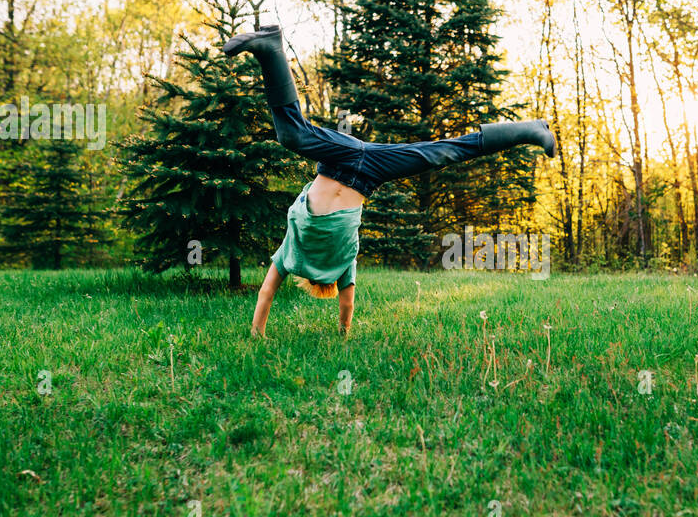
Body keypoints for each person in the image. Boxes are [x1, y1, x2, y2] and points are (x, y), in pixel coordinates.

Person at [225, 24, 555, 338]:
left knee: (293, 134)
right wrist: (342, 333)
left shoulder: (292, 256)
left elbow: (275, 293)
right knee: (438, 153)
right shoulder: (341, 264)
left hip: (339, 160)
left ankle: (270, 47)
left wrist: (259, 334)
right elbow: (343, 304)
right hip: (368, 172)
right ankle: (530, 130)